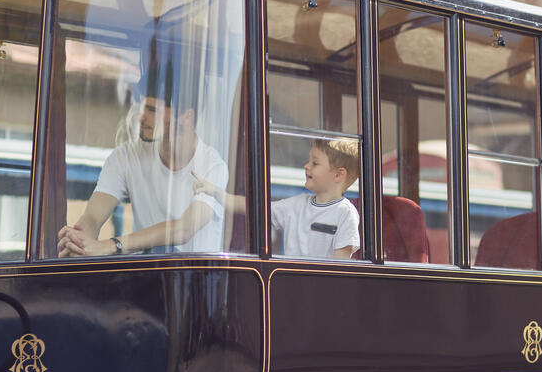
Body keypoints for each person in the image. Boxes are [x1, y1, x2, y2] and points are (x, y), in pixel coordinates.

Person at [57, 89, 227, 257]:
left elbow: (184, 228)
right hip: (141, 275)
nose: (141, 117)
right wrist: (78, 240)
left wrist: (111, 245)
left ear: (187, 117)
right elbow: (93, 216)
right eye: (142, 107)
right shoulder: (126, 156)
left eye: (152, 110)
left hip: (193, 278)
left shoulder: (213, 166)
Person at [194, 138, 360, 259]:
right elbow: (255, 208)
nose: (306, 166)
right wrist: (216, 192)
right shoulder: (297, 204)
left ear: (338, 175)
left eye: (315, 163)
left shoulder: (345, 214)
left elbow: (341, 267)